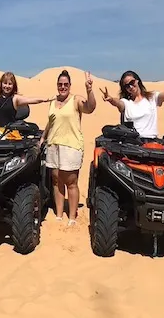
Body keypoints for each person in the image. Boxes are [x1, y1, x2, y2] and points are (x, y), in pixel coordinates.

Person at [39, 69, 96, 226]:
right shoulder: (53, 101)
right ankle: (58, 213)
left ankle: (71, 216)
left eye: (65, 84)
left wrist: (89, 90)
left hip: (71, 146)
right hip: (53, 144)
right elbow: (51, 122)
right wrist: (43, 137)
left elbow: (90, 107)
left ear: (70, 85)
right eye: (60, 84)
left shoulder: (75, 100)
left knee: (71, 181)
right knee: (56, 181)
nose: (62, 87)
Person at [0, 39, 54, 138]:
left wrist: (46, 99)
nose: (7, 86)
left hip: (8, 135)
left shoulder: (15, 99)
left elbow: (31, 100)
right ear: (1, 84)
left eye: (10, 84)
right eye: (5, 83)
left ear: (13, 85)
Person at [99, 70, 164, 139]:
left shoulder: (152, 97)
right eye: (126, 86)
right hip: (132, 145)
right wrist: (111, 99)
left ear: (137, 81)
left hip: (152, 143)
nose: (130, 86)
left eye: (132, 82)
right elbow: (118, 103)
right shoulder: (127, 103)